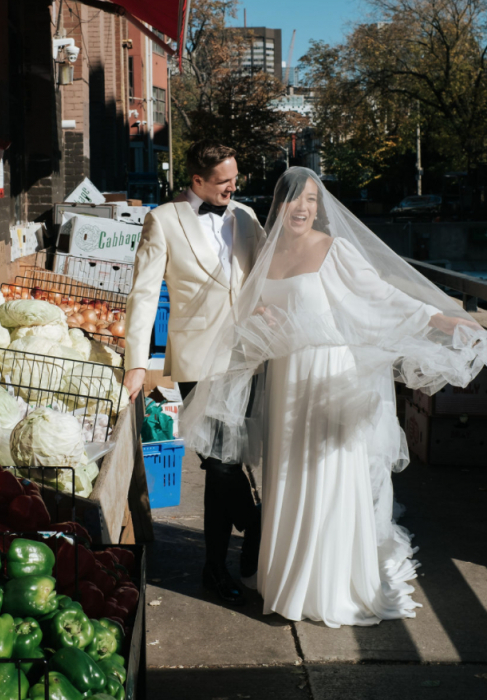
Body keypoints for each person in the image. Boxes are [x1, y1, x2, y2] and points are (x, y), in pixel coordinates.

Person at [181, 167, 485, 628]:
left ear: (319, 207)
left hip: (327, 373)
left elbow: (381, 296)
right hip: (285, 378)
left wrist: (441, 319)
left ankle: (332, 585)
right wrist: (262, 310)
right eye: (293, 199)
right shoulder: (266, 251)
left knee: (327, 474)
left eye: (311, 200)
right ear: (278, 206)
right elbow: (251, 305)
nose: (302, 208)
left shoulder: (334, 249)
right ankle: (286, 580)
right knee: (287, 475)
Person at [124, 140, 265, 606]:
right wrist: (136, 364)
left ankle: (214, 567)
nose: (233, 186)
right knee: (219, 463)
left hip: (245, 356)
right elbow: (144, 295)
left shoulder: (245, 217)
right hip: (198, 359)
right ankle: (254, 523)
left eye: (235, 178)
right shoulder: (162, 220)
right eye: (224, 181)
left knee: (225, 464)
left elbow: (270, 274)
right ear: (197, 180)